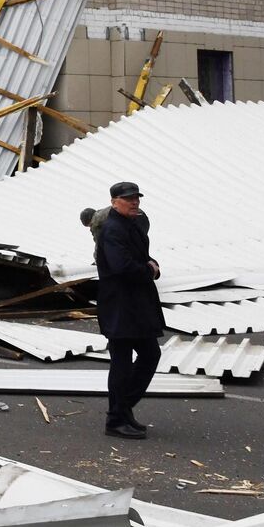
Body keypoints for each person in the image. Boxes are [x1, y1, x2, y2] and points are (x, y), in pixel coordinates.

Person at [94, 181, 162, 439]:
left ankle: (123, 410)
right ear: (114, 202)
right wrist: (148, 270)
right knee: (121, 363)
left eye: (136, 198)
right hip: (120, 306)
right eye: (128, 199)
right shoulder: (112, 229)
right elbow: (122, 266)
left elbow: (139, 256)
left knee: (150, 355)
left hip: (135, 305)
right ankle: (116, 419)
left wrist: (151, 264)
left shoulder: (130, 224)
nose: (134, 202)